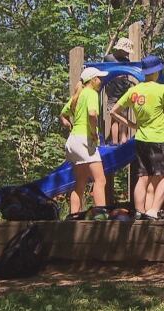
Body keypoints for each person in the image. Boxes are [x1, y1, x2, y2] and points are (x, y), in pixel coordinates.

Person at [110, 55, 164, 220]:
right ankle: (153, 209)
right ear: (156, 71)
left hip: (140, 139)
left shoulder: (134, 91)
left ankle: (139, 212)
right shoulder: (162, 89)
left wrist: (132, 124)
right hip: (159, 139)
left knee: (142, 177)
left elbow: (113, 111)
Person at [59, 67, 109, 219]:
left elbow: (63, 115)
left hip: (73, 141)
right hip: (85, 140)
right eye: (99, 78)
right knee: (100, 179)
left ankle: (73, 215)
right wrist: (93, 133)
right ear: (93, 80)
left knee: (80, 182)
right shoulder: (91, 93)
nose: (101, 81)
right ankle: (100, 214)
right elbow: (92, 114)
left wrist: (70, 125)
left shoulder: (78, 94)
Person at [103, 37, 135, 145]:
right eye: (126, 51)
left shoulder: (126, 60)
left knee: (123, 115)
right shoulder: (108, 59)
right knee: (114, 116)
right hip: (112, 91)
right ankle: (115, 141)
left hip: (123, 90)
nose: (127, 53)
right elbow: (105, 72)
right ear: (120, 49)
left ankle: (123, 139)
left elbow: (126, 74)